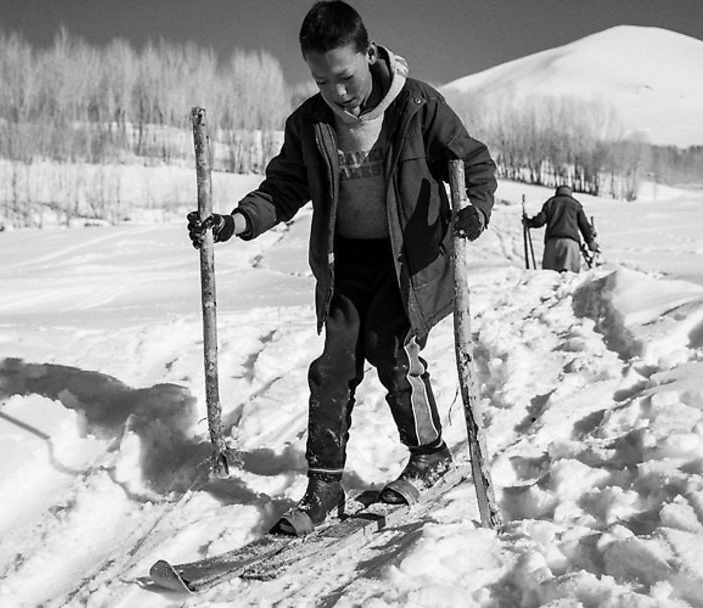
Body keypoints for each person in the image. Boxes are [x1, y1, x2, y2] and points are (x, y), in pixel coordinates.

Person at [187, 0, 496, 536]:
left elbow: (472, 161)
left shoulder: (418, 106)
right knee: (332, 366)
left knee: (390, 348)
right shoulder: (310, 123)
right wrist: (234, 223)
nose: (337, 91)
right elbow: (283, 188)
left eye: (345, 76)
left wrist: (475, 208)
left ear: (369, 54)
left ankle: (429, 454)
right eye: (322, 80)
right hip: (346, 263)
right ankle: (324, 486)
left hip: (408, 263)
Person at [523, 185, 599, 272]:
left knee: (549, 277)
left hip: (552, 244)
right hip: (571, 245)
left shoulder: (550, 203)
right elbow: (584, 225)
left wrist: (528, 222)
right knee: (569, 279)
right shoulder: (576, 205)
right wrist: (590, 242)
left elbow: (540, 221)